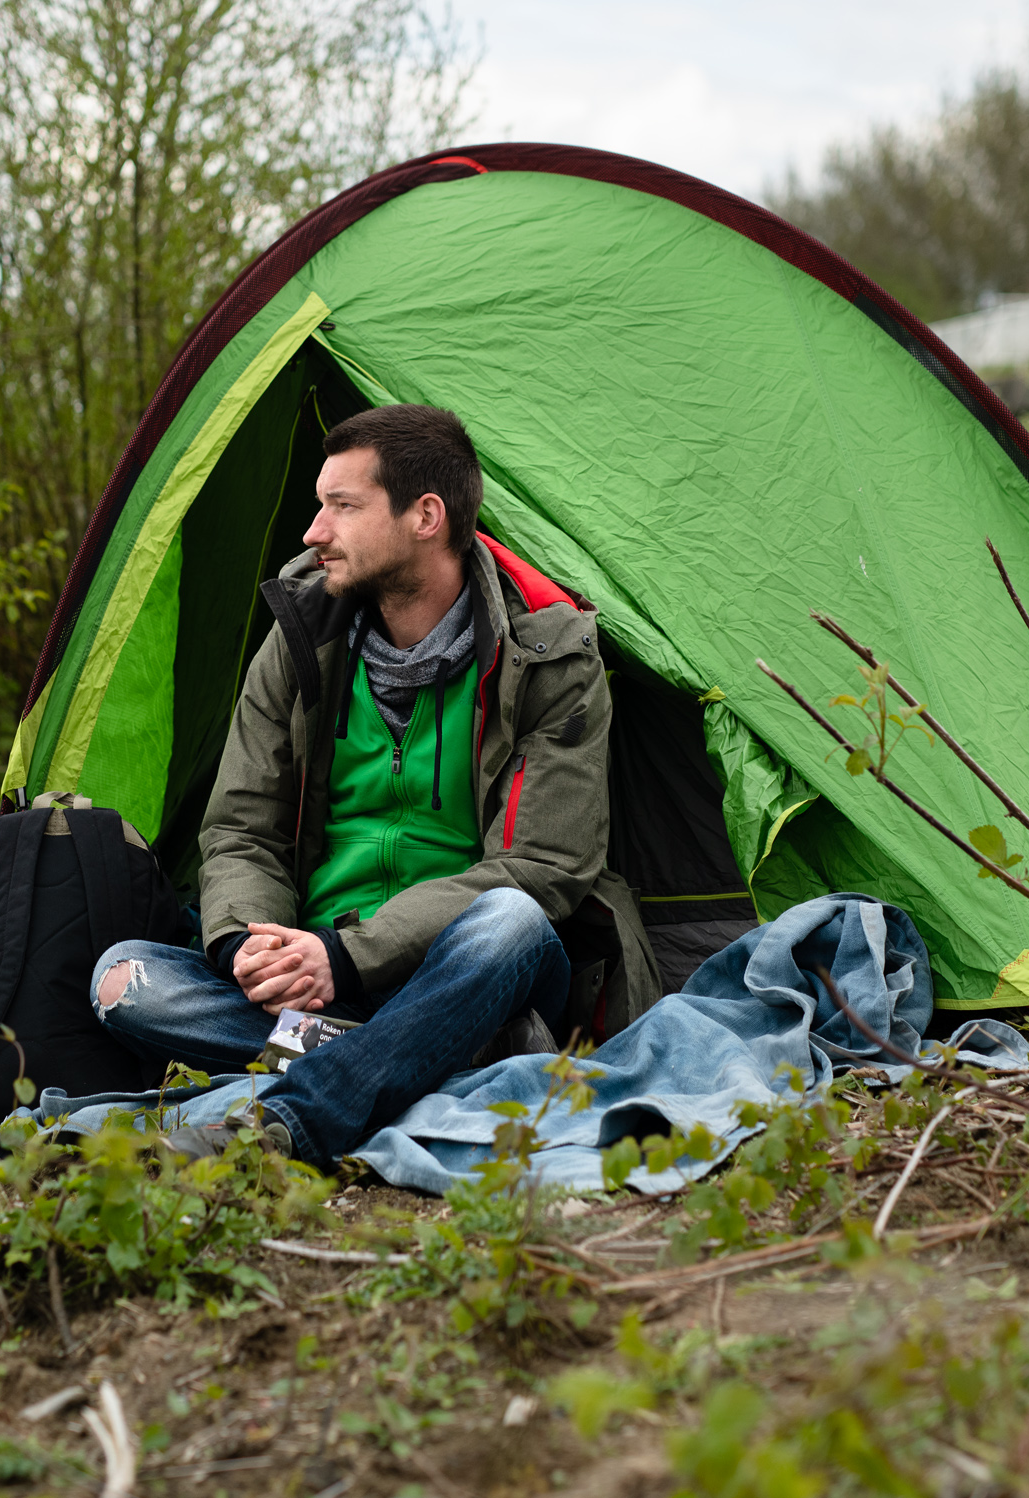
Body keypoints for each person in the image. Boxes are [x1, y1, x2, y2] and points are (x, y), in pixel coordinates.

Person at [89, 404, 627, 1165]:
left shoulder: (549, 651)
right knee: (123, 980)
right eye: (319, 504)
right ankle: (429, 1059)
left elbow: (544, 867)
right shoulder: (303, 633)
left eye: (342, 506)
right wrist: (251, 940)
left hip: (458, 963)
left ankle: (295, 1115)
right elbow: (242, 827)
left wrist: (349, 955)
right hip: (319, 982)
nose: (314, 531)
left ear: (425, 516)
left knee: (511, 920)